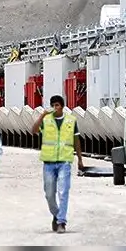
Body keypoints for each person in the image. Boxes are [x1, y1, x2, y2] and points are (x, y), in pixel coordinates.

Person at [32, 95, 83, 233]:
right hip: (48, 163)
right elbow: (34, 130)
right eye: (53, 105)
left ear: (62, 106)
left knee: (63, 192)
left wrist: (80, 159)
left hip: (64, 162)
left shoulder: (71, 121)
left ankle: (61, 222)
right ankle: (56, 214)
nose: (55, 107)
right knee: (49, 194)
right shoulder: (46, 120)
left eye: (57, 105)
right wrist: (42, 115)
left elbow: (76, 140)